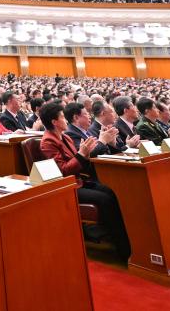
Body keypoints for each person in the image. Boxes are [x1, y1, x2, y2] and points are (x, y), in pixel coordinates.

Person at [38, 102, 131, 261]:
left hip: (79, 180)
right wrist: (82, 154)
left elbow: (80, 164)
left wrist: (85, 154)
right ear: (54, 122)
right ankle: (122, 248)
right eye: (62, 117)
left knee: (110, 191)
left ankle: (120, 239)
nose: (66, 120)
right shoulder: (48, 142)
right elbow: (63, 171)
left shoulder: (65, 137)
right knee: (105, 199)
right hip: (67, 186)